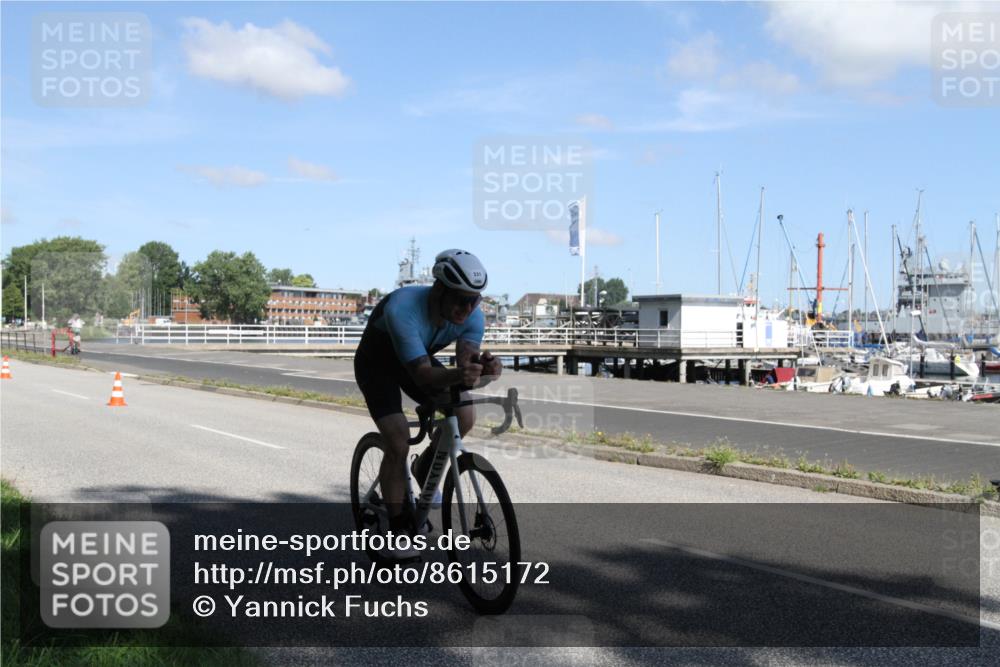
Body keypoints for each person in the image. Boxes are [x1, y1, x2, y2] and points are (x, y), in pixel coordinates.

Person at [353, 249, 502, 555]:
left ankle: (424, 468)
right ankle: (399, 528)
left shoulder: (473, 315)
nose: (467, 307)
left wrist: (483, 368)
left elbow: (464, 358)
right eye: (460, 299)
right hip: (377, 365)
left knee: (465, 416)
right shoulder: (403, 309)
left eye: (474, 300)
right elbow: (422, 375)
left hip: (415, 360)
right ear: (439, 289)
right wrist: (459, 375)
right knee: (397, 441)